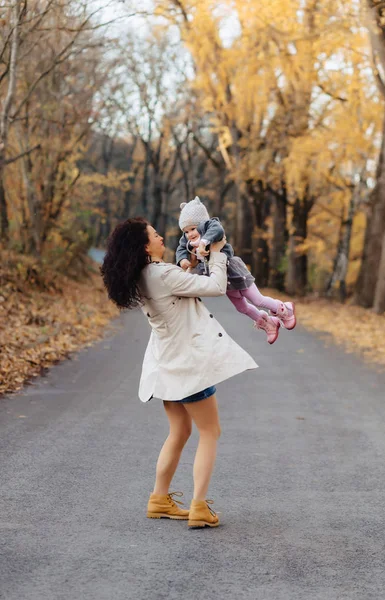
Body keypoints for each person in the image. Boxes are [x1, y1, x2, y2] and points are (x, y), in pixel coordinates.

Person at [101, 217, 258, 529]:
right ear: (145, 246)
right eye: (156, 235)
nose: (162, 239)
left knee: (181, 431)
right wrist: (219, 252)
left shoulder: (145, 275)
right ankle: (199, 506)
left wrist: (188, 267)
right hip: (188, 367)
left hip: (169, 368)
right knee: (210, 432)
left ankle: (159, 499)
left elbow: (177, 287)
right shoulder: (162, 273)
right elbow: (214, 285)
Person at [176, 197, 296, 345]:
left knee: (257, 299)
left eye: (193, 229)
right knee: (241, 307)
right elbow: (181, 248)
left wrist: (204, 241)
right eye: (186, 231)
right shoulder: (187, 240)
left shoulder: (209, 226)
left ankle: (285, 309)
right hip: (222, 277)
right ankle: (268, 322)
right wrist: (182, 260)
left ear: (201, 224)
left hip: (234, 270)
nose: (190, 234)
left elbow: (218, 230)